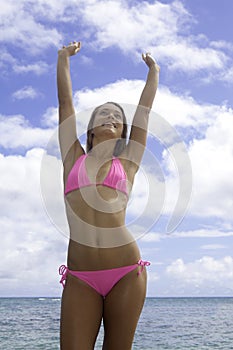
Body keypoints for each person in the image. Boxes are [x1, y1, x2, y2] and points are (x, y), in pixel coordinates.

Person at [57, 41, 159, 350]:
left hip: (126, 272)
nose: (110, 116)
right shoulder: (73, 158)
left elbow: (143, 114)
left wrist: (153, 72)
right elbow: (65, 105)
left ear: (122, 131)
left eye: (116, 115)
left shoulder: (126, 163)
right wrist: (63, 59)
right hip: (80, 276)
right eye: (103, 114)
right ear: (90, 129)